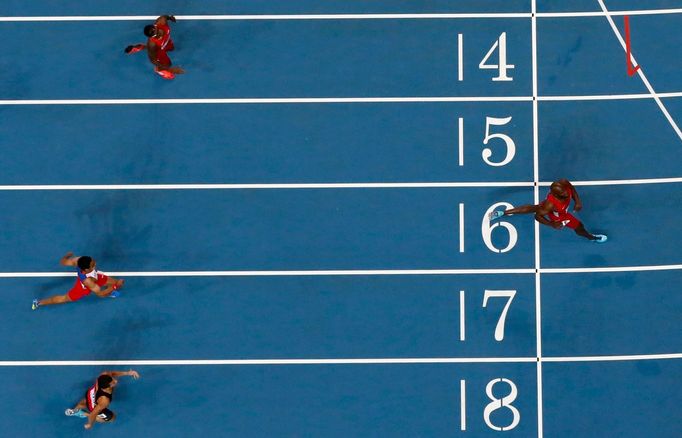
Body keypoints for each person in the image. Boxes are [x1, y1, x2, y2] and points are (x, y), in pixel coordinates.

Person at [489, 179, 607, 243]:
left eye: (565, 191)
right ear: (555, 195)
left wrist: (578, 201)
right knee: (579, 226)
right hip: (558, 215)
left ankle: (502, 213)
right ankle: (592, 238)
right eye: (563, 194)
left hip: (553, 207)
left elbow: (571, 188)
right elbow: (537, 216)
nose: (566, 194)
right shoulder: (550, 204)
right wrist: (552, 224)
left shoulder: (564, 183)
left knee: (535, 207)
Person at [32, 252, 124, 310]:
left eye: (93, 261)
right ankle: (39, 302)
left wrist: (67, 256)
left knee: (115, 281)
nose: (95, 263)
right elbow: (99, 294)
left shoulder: (79, 260)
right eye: (93, 265)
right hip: (83, 288)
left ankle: (112, 289)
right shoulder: (88, 281)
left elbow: (63, 262)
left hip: (96, 278)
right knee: (63, 299)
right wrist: (115, 287)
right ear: (86, 270)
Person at [65, 370, 140, 429]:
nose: (116, 381)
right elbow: (93, 414)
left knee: (83, 403)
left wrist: (128, 373)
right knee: (112, 418)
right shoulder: (104, 400)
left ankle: (74, 410)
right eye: (113, 383)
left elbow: (112, 373)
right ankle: (81, 413)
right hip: (94, 406)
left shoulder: (104, 375)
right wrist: (90, 424)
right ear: (106, 388)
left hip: (90, 393)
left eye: (112, 379)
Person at [125, 15, 185, 79]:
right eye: (156, 34)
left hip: (166, 42)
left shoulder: (162, 21)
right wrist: (170, 69)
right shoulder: (152, 44)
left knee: (172, 48)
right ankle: (159, 70)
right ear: (152, 37)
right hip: (159, 50)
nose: (159, 33)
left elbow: (165, 16)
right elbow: (153, 60)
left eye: (157, 29)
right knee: (168, 64)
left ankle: (140, 47)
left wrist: (170, 18)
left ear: (155, 26)